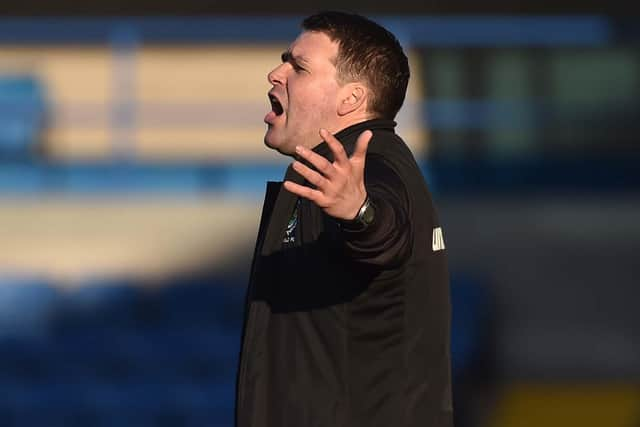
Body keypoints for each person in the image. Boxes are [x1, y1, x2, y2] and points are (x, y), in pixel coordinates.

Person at [235, 11, 453, 427]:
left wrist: (360, 213)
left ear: (350, 99)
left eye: (298, 67)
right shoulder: (324, 170)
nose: (275, 73)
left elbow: (386, 232)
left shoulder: (375, 166)